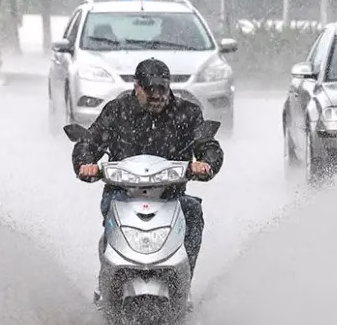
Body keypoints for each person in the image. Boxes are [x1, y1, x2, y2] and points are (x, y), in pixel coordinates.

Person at [72, 58, 224, 299]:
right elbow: (89, 142)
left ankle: (184, 285)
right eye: (150, 90)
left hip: (171, 196)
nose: (157, 96)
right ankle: (107, 283)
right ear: (137, 86)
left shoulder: (187, 113)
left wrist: (206, 163)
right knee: (112, 207)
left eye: (162, 89)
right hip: (121, 192)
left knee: (193, 212)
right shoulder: (117, 110)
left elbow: (208, 145)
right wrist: (85, 164)